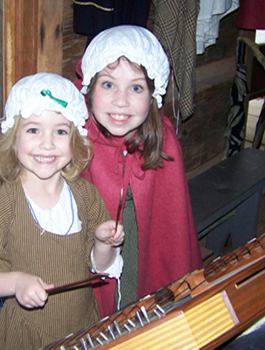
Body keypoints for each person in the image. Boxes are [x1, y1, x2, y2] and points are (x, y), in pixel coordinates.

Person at [0, 73, 124, 350]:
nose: (47, 144)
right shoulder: (2, 206)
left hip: (82, 325)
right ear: (13, 138)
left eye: (60, 131)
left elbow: (101, 266)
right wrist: (16, 282)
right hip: (28, 335)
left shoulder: (86, 195)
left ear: (76, 139)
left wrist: (103, 242)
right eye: (34, 130)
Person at [75, 25, 203, 317]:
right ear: (90, 87)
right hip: (96, 255)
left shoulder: (163, 139)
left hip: (143, 249)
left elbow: (173, 227)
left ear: (153, 92)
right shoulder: (78, 141)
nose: (121, 101)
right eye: (108, 85)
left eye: (136, 87)